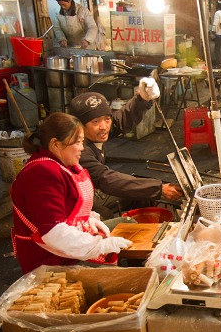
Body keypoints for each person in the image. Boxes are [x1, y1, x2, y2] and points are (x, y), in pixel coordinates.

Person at [10, 113, 132, 274]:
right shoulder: (41, 173)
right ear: (56, 144)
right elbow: (53, 233)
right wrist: (99, 246)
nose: (82, 148)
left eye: (82, 142)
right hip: (51, 258)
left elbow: (68, 207)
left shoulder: (64, 165)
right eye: (78, 142)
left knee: (130, 223)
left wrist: (88, 218)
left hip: (72, 240)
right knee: (123, 273)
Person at [69, 83, 183, 221]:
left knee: (143, 195)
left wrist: (142, 98)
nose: (104, 127)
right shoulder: (78, 151)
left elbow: (120, 120)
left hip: (95, 190)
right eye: (95, 121)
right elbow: (106, 179)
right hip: (76, 201)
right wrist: (159, 188)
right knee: (103, 214)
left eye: (107, 118)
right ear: (80, 125)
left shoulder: (96, 131)